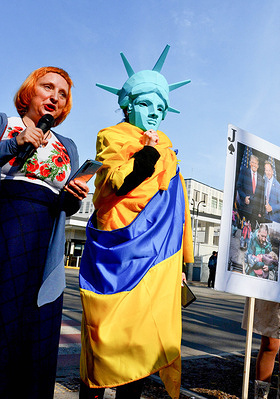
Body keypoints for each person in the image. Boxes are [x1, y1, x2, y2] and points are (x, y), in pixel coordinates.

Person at [79, 46, 194, 399]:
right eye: (146, 105)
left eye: (160, 108)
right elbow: (114, 182)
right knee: (104, 343)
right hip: (117, 251)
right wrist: (148, 153)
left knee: (142, 346)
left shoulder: (168, 149)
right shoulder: (112, 136)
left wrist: (182, 263)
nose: (155, 114)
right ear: (128, 105)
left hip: (158, 257)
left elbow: (178, 209)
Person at [0, 67, 89, 399]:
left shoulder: (67, 146)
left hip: (44, 251)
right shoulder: (4, 123)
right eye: (48, 87)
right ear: (29, 91)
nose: (55, 96)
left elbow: (67, 208)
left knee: (36, 339)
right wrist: (14, 144)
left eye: (62, 93)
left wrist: (73, 198)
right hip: (5, 239)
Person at [243, 169, 280, 399]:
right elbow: (264, 240)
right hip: (275, 278)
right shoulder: (272, 209)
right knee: (271, 341)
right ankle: (261, 394)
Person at [237, 154, 264, 228]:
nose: (254, 165)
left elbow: (261, 196)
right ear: (249, 163)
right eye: (253, 162)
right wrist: (244, 197)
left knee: (253, 232)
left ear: (258, 166)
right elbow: (238, 186)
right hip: (245, 208)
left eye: (256, 163)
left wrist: (260, 212)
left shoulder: (261, 178)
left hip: (255, 211)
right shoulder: (244, 172)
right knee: (244, 232)